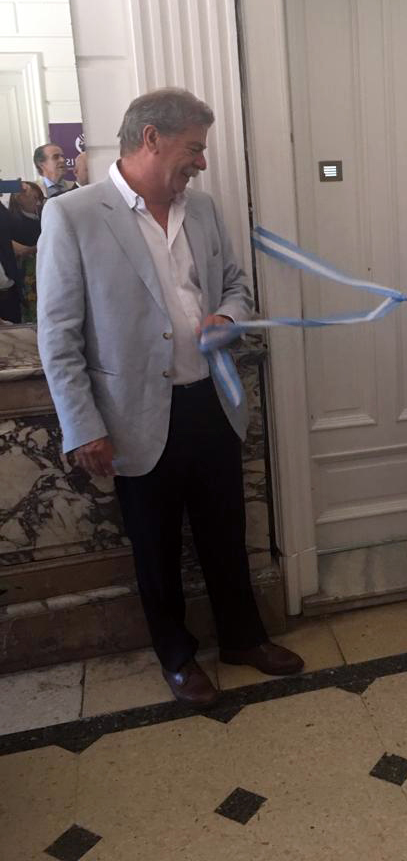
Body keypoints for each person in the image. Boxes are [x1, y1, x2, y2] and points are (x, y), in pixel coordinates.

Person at [37, 88, 304, 708]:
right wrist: (83, 426)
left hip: (211, 401)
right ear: (151, 139)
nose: (202, 163)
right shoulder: (73, 215)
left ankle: (242, 638)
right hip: (131, 416)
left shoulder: (202, 209)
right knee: (155, 548)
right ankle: (178, 659)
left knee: (225, 532)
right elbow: (58, 335)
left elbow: (235, 284)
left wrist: (228, 316)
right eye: (194, 148)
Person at [8, 181, 44, 322]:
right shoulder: (11, 221)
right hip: (26, 274)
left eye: (39, 198)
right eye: (34, 198)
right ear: (19, 198)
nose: (38, 203)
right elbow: (20, 250)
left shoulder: (42, 216)